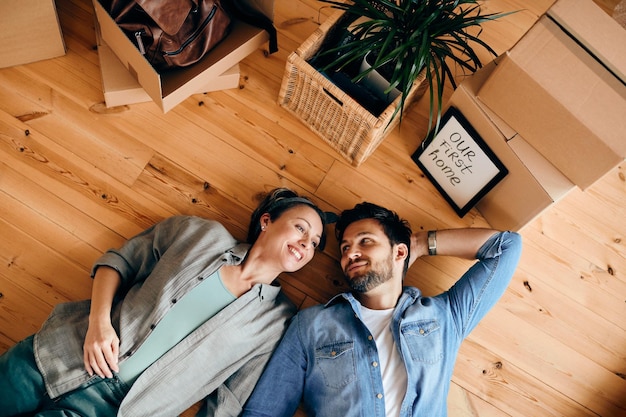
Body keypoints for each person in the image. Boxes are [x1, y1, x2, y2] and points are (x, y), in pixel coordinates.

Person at [0, 188, 329, 417]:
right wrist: (98, 324)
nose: (305, 243)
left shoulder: (278, 321)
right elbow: (118, 263)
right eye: (300, 228)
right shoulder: (201, 234)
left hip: (116, 410)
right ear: (267, 221)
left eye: (314, 243)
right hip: (56, 357)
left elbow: (230, 400)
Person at [241, 202, 523, 417]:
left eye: (365, 241)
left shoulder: (444, 317)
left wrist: (420, 244)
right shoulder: (311, 326)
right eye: (345, 247)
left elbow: (507, 247)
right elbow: (264, 411)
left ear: (399, 253)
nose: (350, 253)